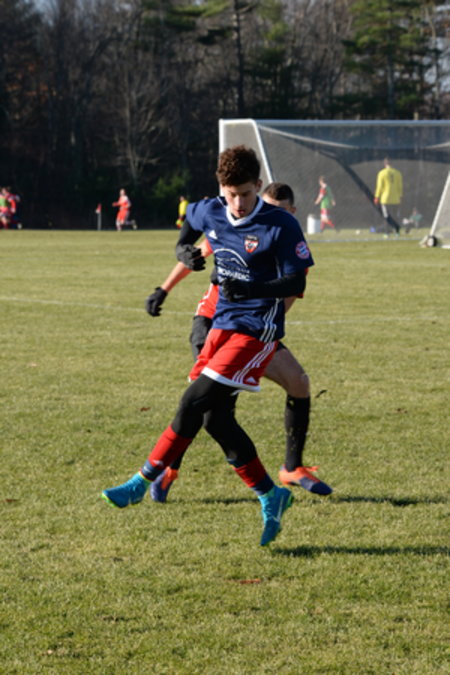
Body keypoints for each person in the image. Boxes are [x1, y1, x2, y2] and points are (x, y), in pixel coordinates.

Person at [102, 145, 314, 546]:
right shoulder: (210, 209)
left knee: (192, 400)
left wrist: (251, 289)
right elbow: (189, 228)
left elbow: (296, 281)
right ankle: (271, 495)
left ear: (258, 186)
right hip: (220, 326)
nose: (238, 203)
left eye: (245, 194)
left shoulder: (280, 224)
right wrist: (184, 250)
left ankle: (139, 482)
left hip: (257, 330)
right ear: (221, 189)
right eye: (231, 194)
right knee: (214, 419)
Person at [145, 182, 332, 504]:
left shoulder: (285, 241)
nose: (269, 215)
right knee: (209, 407)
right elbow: (198, 250)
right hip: (215, 323)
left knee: (298, 382)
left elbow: (285, 300)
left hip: (255, 330)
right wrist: (163, 289)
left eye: (279, 211)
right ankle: (167, 468)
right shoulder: (241, 226)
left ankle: (292, 468)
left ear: (291, 213)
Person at [374, 158, 403, 234]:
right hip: (395, 198)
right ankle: (397, 232)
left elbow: (379, 186)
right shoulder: (397, 173)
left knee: (386, 216)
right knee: (395, 216)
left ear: (385, 164)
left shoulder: (382, 173)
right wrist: (400, 196)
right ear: (392, 164)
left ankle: (387, 232)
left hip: (385, 199)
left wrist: (377, 196)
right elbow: (400, 186)